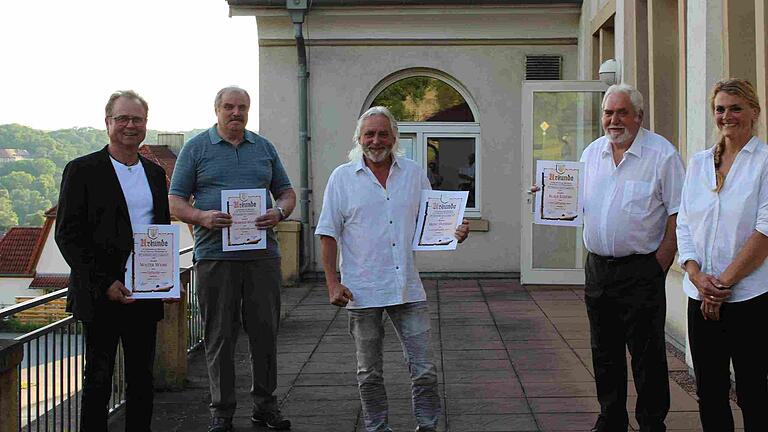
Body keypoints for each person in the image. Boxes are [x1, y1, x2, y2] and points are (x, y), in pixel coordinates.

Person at [532, 84, 685, 431]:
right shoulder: (591, 154)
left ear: (639, 116)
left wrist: (658, 265)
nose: (613, 120)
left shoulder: (662, 156)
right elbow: (577, 204)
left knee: (647, 356)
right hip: (599, 268)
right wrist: (549, 195)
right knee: (604, 352)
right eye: (608, 113)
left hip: (641, 269)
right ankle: (611, 417)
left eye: (621, 112)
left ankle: (651, 423)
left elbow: (679, 214)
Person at [316, 106, 469, 432]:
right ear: (359, 138)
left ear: (394, 137)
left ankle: (427, 426)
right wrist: (332, 282)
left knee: (424, 369)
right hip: (362, 288)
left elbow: (433, 219)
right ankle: (377, 428)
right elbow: (328, 233)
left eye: (382, 133)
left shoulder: (413, 173)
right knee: (369, 373)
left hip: (407, 287)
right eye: (369, 134)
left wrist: (454, 230)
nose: (376, 140)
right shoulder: (342, 178)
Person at [168, 86, 296, 432]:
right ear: (217, 110)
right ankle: (222, 411)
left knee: (265, 333)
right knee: (220, 335)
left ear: (248, 111)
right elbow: (175, 201)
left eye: (241, 107)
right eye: (228, 107)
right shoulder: (196, 148)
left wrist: (279, 212)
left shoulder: (264, 148)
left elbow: (286, 192)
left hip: (261, 256)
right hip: (215, 257)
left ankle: (265, 405)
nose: (235, 113)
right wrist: (202, 217)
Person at [55, 90, 170, 432]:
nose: (130, 126)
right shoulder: (82, 170)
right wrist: (104, 281)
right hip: (99, 293)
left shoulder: (153, 172)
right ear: (107, 123)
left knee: (141, 380)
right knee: (98, 381)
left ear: (145, 125)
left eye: (137, 119)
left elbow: (159, 230)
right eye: (122, 119)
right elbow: (68, 236)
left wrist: (164, 277)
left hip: (143, 293)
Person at [676, 78, 768, 431]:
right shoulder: (699, 163)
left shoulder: (763, 164)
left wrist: (723, 284)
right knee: (710, 391)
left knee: (753, 390)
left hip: (750, 298)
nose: (726, 115)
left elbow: (764, 232)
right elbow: (684, 224)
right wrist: (697, 276)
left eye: (735, 108)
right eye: (720, 109)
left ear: (754, 112)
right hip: (699, 295)